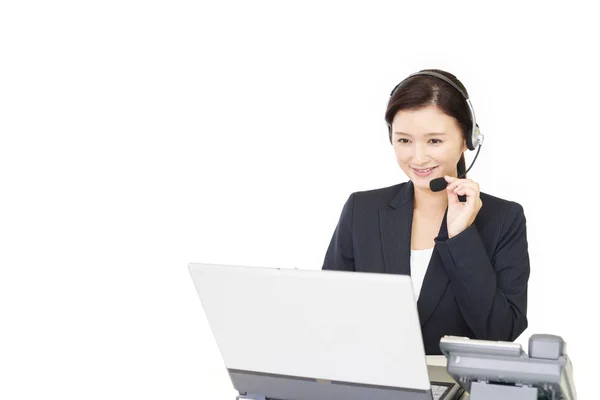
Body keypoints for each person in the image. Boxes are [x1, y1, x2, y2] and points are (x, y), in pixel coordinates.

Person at [322, 69, 530, 355]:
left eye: (434, 140)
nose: (417, 157)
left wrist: (460, 236)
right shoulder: (362, 211)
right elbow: (329, 315)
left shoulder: (505, 219)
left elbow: (501, 332)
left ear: (467, 140)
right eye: (404, 140)